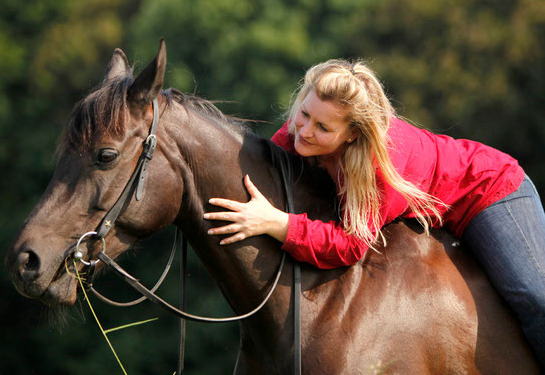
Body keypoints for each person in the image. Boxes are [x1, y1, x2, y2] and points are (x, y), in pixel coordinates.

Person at [203, 59, 545, 365]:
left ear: (353, 134)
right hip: (436, 211)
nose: (305, 132)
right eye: (304, 114)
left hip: (489, 190)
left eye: (323, 128)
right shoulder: (299, 133)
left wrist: (280, 223)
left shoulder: (378, 167)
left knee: (535, 298)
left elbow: (350, 245)